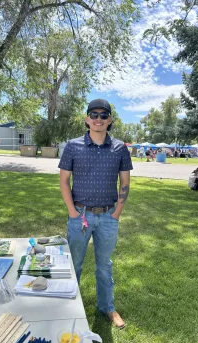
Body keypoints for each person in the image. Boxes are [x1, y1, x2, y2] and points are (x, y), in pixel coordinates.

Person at [58, 99, 133, 329]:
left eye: (103, 115)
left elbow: (125, 182)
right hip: (79, 215)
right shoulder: (73, 146)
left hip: (108, 217)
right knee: (75, 264)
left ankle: (107, 308)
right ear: (87, 119)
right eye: (94, 114)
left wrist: (117, 213)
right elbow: (63, 180)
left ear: (110, 120)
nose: (98, 119)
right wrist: (72, 212)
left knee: (104, 265)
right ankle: (70, 307)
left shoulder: (119, 148)